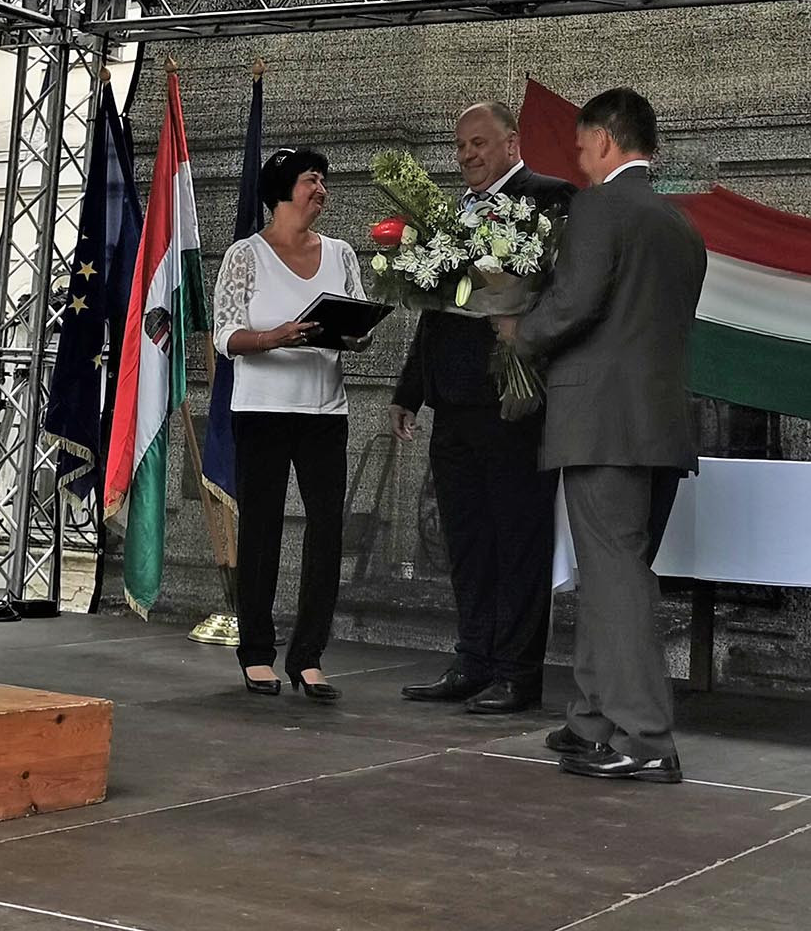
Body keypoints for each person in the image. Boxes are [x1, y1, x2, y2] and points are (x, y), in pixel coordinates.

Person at [493, 87, 706, 783]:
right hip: (659, 424)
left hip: (602, 424)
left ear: (607, 142)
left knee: (616, 579)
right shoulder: (680, 225)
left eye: (583, 147)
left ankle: (647, 737)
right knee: (613, 572)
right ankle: (590, 723)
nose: (579, 161)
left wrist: (519, 331)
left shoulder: (598, 207)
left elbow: (576, 303)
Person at [396, 102, 577, 714]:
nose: (468, 155)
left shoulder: (550, 198)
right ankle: (472, 660)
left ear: (511, 143)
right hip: (452, 404)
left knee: (518, 539)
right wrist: (409, 391)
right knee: (467, 541)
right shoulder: (450, 214)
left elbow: (561, 294)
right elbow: (435, 312)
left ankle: (517, 673)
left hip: (512, 401)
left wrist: (520, 329)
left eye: (479, 143)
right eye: (460, 146)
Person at [212, 147, 373, 703]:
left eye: (323, 180)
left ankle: (309, 656)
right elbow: (224, 336)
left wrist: (357, 333)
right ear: (282, 191)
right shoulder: (245, 255)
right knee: (262, 530)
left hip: (325, 411)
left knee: (327, 530)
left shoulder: (341, 253)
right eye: (311, 180)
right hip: (261, 411)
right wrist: (273, 337)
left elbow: (354, 324)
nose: (321, 189)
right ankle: (256, 651)